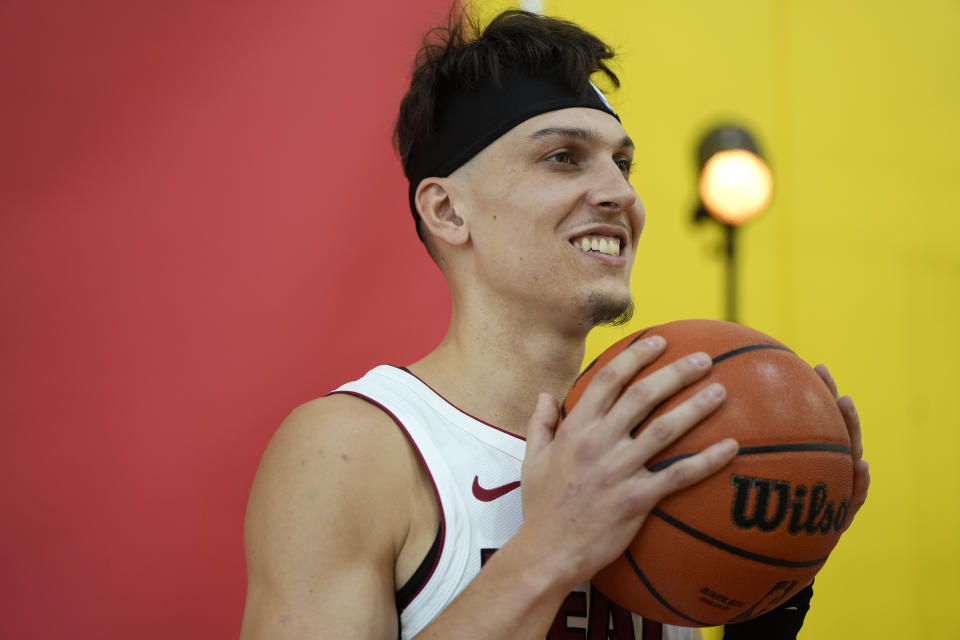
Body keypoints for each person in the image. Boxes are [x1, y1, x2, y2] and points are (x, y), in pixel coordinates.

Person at [239, 8, 869, 640]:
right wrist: (548, 552)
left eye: (622, 164)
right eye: (564, 157)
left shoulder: (668, 437)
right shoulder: (355, 450)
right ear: (448, 210)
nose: (620, 194)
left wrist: (770, 596)